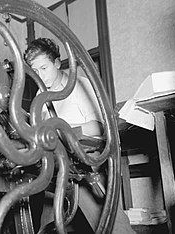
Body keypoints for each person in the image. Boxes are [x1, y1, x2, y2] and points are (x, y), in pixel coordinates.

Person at [24, 38, 135, 233]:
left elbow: (100, 127)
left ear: (57, 63)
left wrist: (62, 128)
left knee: (111, 224)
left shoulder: (79, 85)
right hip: (56, 166)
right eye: (35, 71)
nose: (40, 75)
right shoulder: (39, 99)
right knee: (48, 226)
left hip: (86, 161)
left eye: (44, 68)